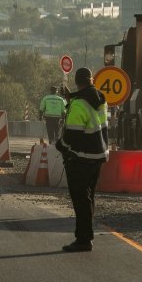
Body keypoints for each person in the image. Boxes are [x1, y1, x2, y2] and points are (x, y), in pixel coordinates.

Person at [57, 67, 109, 253]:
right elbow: (91, 119)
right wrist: (73, 98)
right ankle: (86, 235)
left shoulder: (78, 104)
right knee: (88, 198)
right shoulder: (101, 100)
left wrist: (60, 145)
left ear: (77, 82)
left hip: (80, 158)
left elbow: (72, 134)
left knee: (80, 199)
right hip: (97, 157)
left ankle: (83, 239)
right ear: (91, 80)